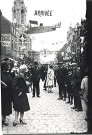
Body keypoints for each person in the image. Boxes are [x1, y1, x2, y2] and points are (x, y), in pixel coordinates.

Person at [1, 61, 12, 126]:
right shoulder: (1, 74)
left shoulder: (7, 73)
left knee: (5, 107)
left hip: (7, 93)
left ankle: (3, 119)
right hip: (2, 93)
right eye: (7, 65)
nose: (8, 66)